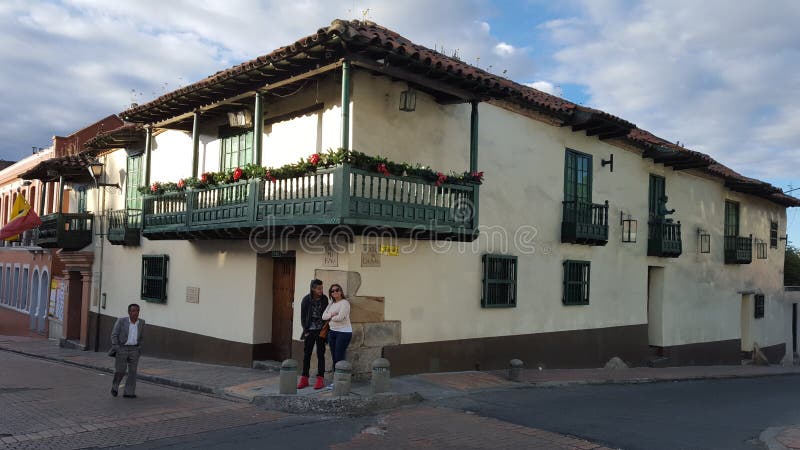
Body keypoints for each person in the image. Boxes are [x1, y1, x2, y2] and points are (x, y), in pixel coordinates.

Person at [298, 279, 329, 390]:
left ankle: (320, 379)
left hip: (321, 331)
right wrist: (305, 331)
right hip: (310, 331)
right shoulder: (306, 300)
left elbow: (327, 313)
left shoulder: (325, 299)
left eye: (322, 288)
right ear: (313, 288)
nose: (321, 290)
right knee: (307, 355)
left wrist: (326, 328)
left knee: (321, 354)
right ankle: (304, 379)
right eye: (319, 288)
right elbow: (303, 317)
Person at [110, 303, 145, 398]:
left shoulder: (141, 322)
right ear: (129, 312)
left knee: (133, 371)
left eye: (137, 311)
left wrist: (139, 348)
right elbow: (114, 335)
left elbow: (141, 337)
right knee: (120, 370)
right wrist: (116, 346)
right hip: (122, 348)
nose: (136, 313)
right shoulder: (121, 321)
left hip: (134, 349)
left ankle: (129, 392)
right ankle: (115, 385)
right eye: (133, 311)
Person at [322, 283, 352, 385]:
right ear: (330, 293)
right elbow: (323, 316)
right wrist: (332, 314)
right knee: (334, 357)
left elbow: (341, 317)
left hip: (344, 332)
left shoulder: (345, 303)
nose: (335, 292)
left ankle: (340, 381)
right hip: (332, 332)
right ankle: (337, 380)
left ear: (341, 291)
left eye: (337, 290)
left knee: (339, 356)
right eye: (332, 291)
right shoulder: (331, 303)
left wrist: (330, 317)